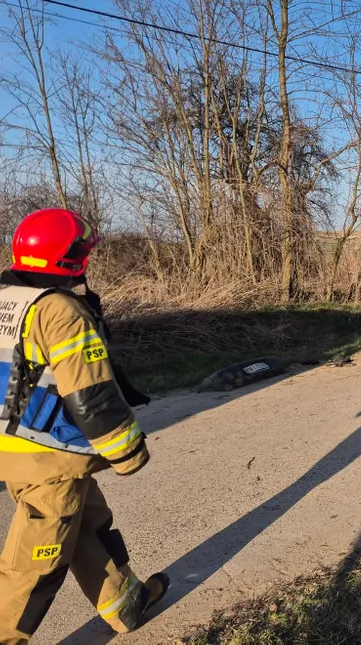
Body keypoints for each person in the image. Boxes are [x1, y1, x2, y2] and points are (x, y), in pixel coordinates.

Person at [0, 208, 168, 642]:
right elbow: (89, 392)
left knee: (88, 526)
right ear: (68, 258)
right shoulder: (59, 311)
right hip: (48, 457)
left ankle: (127, 603)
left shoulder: (8, 298)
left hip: (17, 448)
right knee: (35, 562)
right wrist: (128, 453)